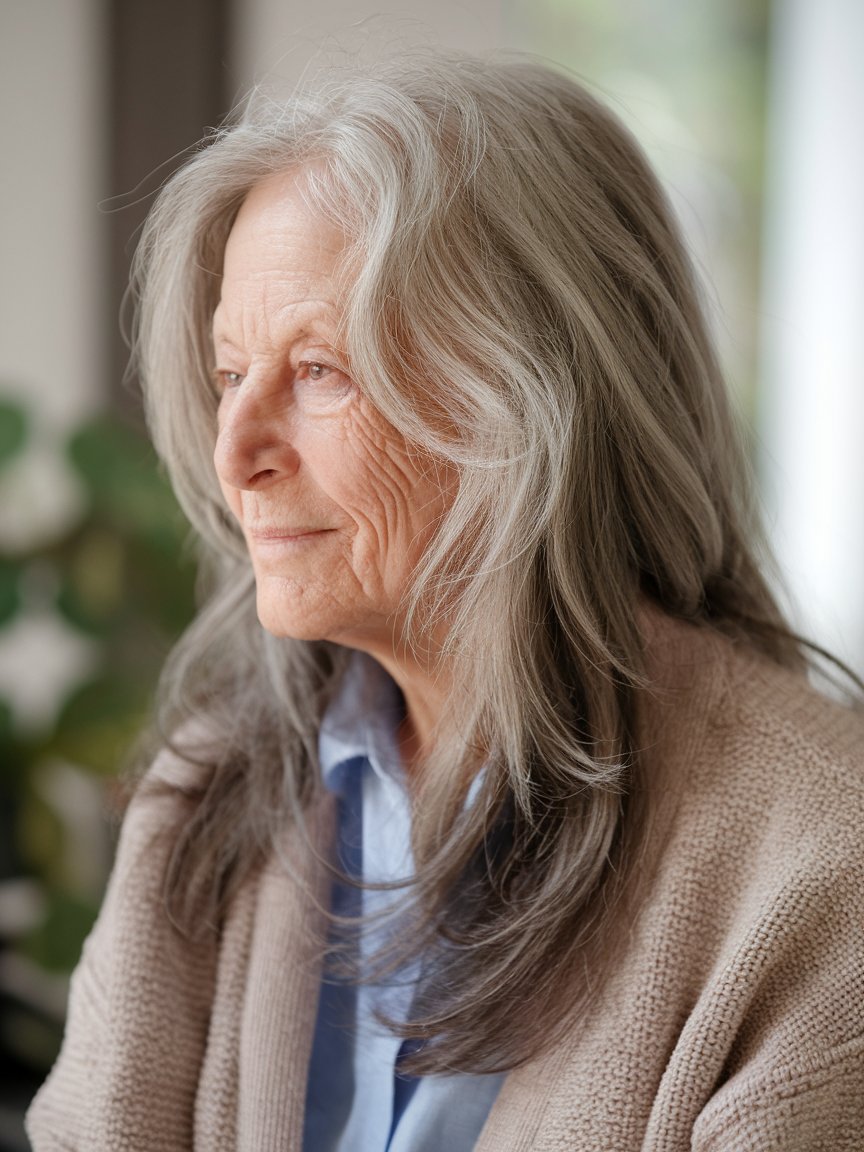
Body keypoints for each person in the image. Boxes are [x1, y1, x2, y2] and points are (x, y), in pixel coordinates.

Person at [27, 52, 864, 1151]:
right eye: (232, 373)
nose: (237, 454)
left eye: (321, 370)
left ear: (535, 396)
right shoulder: (207, 798)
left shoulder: (820, 868)